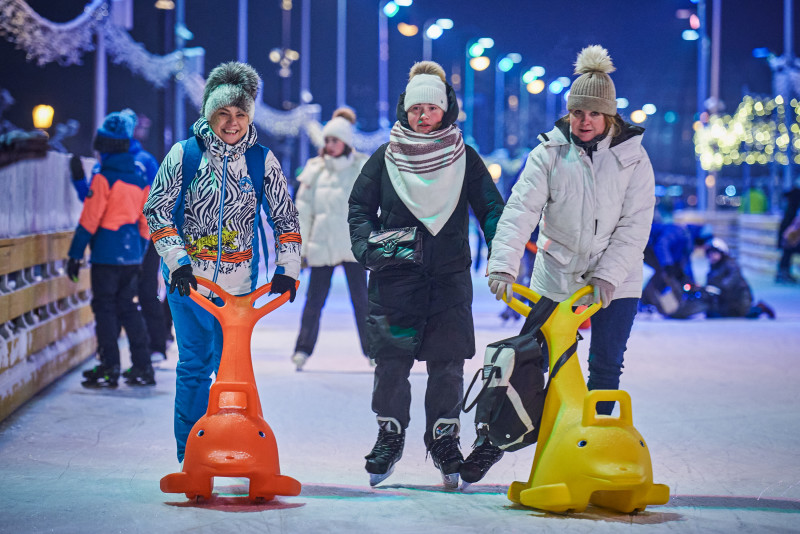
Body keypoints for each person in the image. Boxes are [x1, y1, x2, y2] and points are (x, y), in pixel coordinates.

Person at [349, 61, 505, 488]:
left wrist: (501, 253)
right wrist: (367, 247)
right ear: (405, 110)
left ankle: (444, 439)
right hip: (394, 278)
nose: (422, 116)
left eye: (431, 109)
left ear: (445, 110)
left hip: (448, 278)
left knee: (448, 364)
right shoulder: (385, 157)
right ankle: (390, 435)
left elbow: (492, 208)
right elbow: (359, 207)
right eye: (416, 109)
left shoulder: (464, 157)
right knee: (391, 363)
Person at [143, 62, 301, 463]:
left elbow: (285, 218)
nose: (232, 123)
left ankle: (235, 447)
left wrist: (287, 269)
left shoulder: (261, 160)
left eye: (240, 114)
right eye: (223, 113)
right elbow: (157, 209)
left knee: (231, 371)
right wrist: (177, 260)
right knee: (194, 366)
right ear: (209, 114)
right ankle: (191, 454)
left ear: (249, 116)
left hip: (238, 289)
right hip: (189, 285)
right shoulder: (185, 154)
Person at [487, 46, 655, 420]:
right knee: (532, 360)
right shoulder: (549, 153)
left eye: (594, 113)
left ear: (609, 115)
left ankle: (596, 438)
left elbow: (635, 225)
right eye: (578, 112)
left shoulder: (633, 158)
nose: (584, 121)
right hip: (557, 274)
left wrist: (607, 276)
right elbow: (519, 211)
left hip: (616, 281)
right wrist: (503, 265)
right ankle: (513, 438)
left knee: (606, 365)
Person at [69, 112, 168, 362]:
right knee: (130, 303)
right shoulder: (137, 170)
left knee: (115, 303)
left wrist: (75, 254)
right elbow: (143, 208)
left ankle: (117, 361)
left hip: (116, 248)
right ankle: (143, 362)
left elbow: (92, 212)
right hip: (135, 244)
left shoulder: (111, 170)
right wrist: (140, 245)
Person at [290, 108, 371, 371]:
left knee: (363, 302)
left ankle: (373, 351)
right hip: (322, 245)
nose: (330, 144)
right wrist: (300, 249)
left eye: (335, 140)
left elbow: (372, 209)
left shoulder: (361, 168)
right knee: (314, 301)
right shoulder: (315, 170)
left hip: (351, 246)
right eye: (327, 140)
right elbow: (303, 213)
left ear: (345, 141)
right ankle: (302, 349)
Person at [703, 238, 775, 319]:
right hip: (725, 299)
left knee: (747, 314)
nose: (712, 256)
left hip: (739, 298)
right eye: (710, 254)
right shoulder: (713, 269)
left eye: (714, 253)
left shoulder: (730, 264)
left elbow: (732, 279)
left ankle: (761, 307)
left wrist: (719, 287)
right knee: (714, 314)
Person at [776, 181, 800, 284]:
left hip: (788, 228)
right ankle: (783, 273)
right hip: (791, 230)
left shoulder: (790, 198)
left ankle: (782, 273)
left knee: (787, 252)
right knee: (788, 251)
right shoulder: (796, 200)